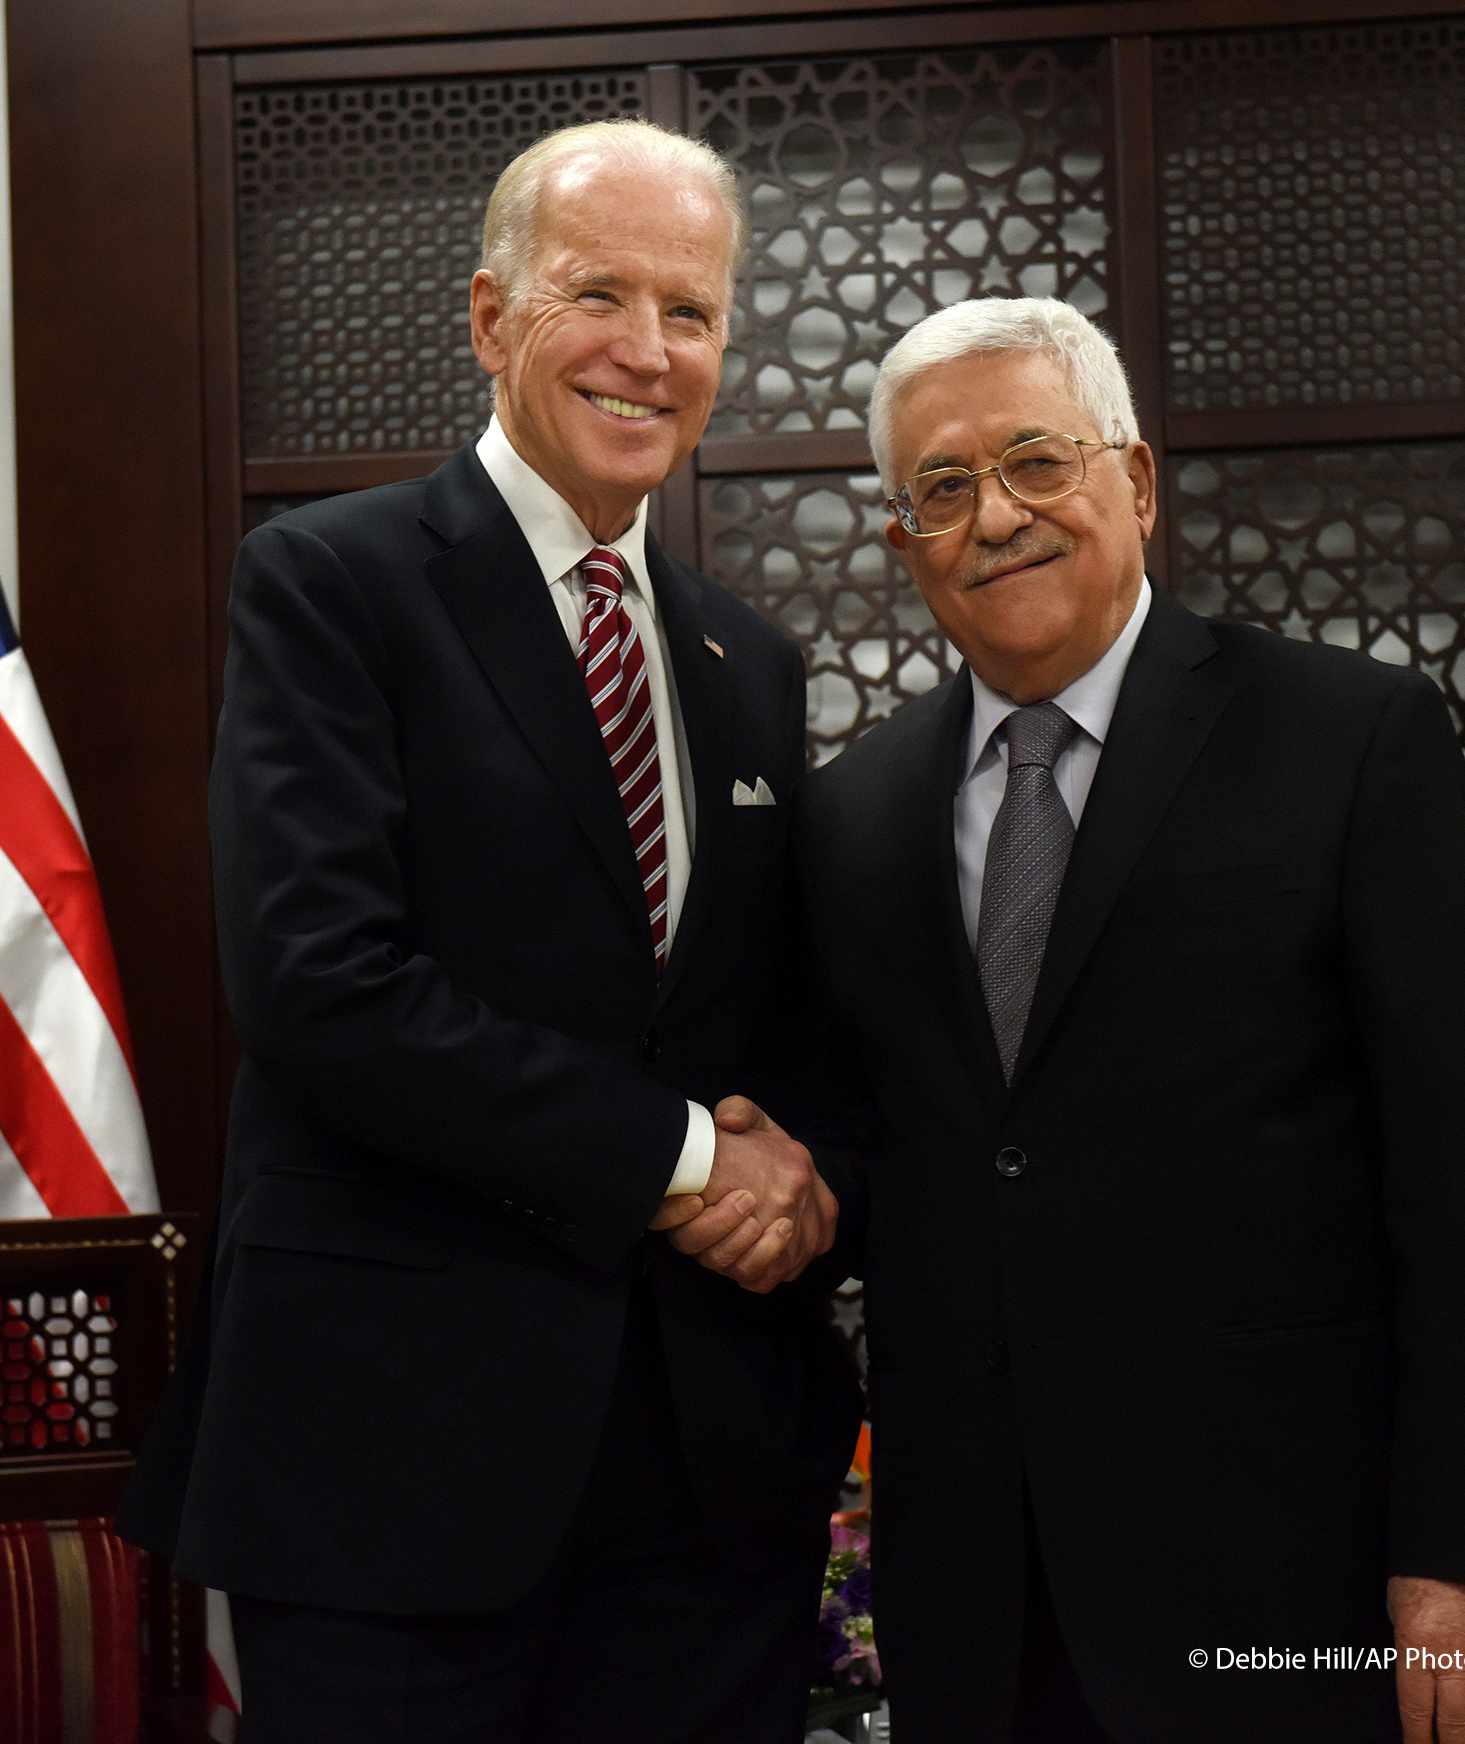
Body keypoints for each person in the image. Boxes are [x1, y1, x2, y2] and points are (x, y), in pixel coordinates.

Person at [115, 119, 862, 1744]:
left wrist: (800, 1187)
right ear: (487, 315)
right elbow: (325, 989)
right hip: (398, 1467)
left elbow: (767, 1023)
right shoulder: (331, 582)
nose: (650, 353)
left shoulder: (751, 658)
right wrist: (684, 1163)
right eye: (601, 294)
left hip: (703, 1481)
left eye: (696, 312)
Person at [742, 298, 1465, 1742]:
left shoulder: (1350, 738)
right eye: (943, 488)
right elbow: (885, 1149)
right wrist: (775, 1183)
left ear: (1131, 480)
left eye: (1036, 463)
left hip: (1286, 1573)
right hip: (976, 1594)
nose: (996, 516)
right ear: (902, 546)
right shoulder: (851, 815)